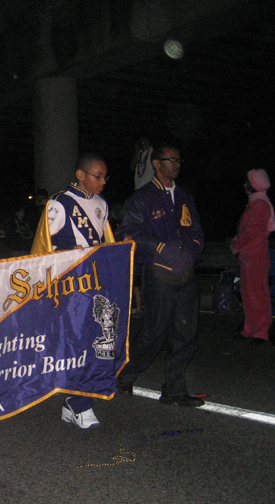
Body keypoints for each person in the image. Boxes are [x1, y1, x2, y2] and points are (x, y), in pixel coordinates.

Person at [116, 144, 205, 408]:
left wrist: (193, 251)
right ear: (157, 164)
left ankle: (174, 390)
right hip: (159, 273)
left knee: (186, 333)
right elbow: (128, 231)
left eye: (179, 159)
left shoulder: (185, 196)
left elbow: (197, 230)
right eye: (171, 159)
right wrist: (161, 248)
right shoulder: (142, 198)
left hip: (186, 272)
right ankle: (125, 374)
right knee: (154, 332)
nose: (176, 164)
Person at [31, 153, 111, 429]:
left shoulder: (101, 204)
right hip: (70, 286)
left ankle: (74, 402)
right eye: (97, 176)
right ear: (81, 175)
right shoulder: (60, 202)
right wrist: (68, 254)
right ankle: (79, 403)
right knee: (77, 343)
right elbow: (46, 246)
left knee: (94, 341)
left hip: (94, 283)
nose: (102, 182)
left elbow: (105, 243)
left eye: (104, 177)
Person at [230, 169, 275, 343]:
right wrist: (237, 242)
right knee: (248, 294)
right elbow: (245, 231)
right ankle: (250, 330)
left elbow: (251, 231)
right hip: (249, 254)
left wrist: (237, 245)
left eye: (247, 182)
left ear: (253, 185)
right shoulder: (256, 204)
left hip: (255, 254)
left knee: (257, 294)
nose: (244, 185)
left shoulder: (260, 205)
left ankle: (261, 331)